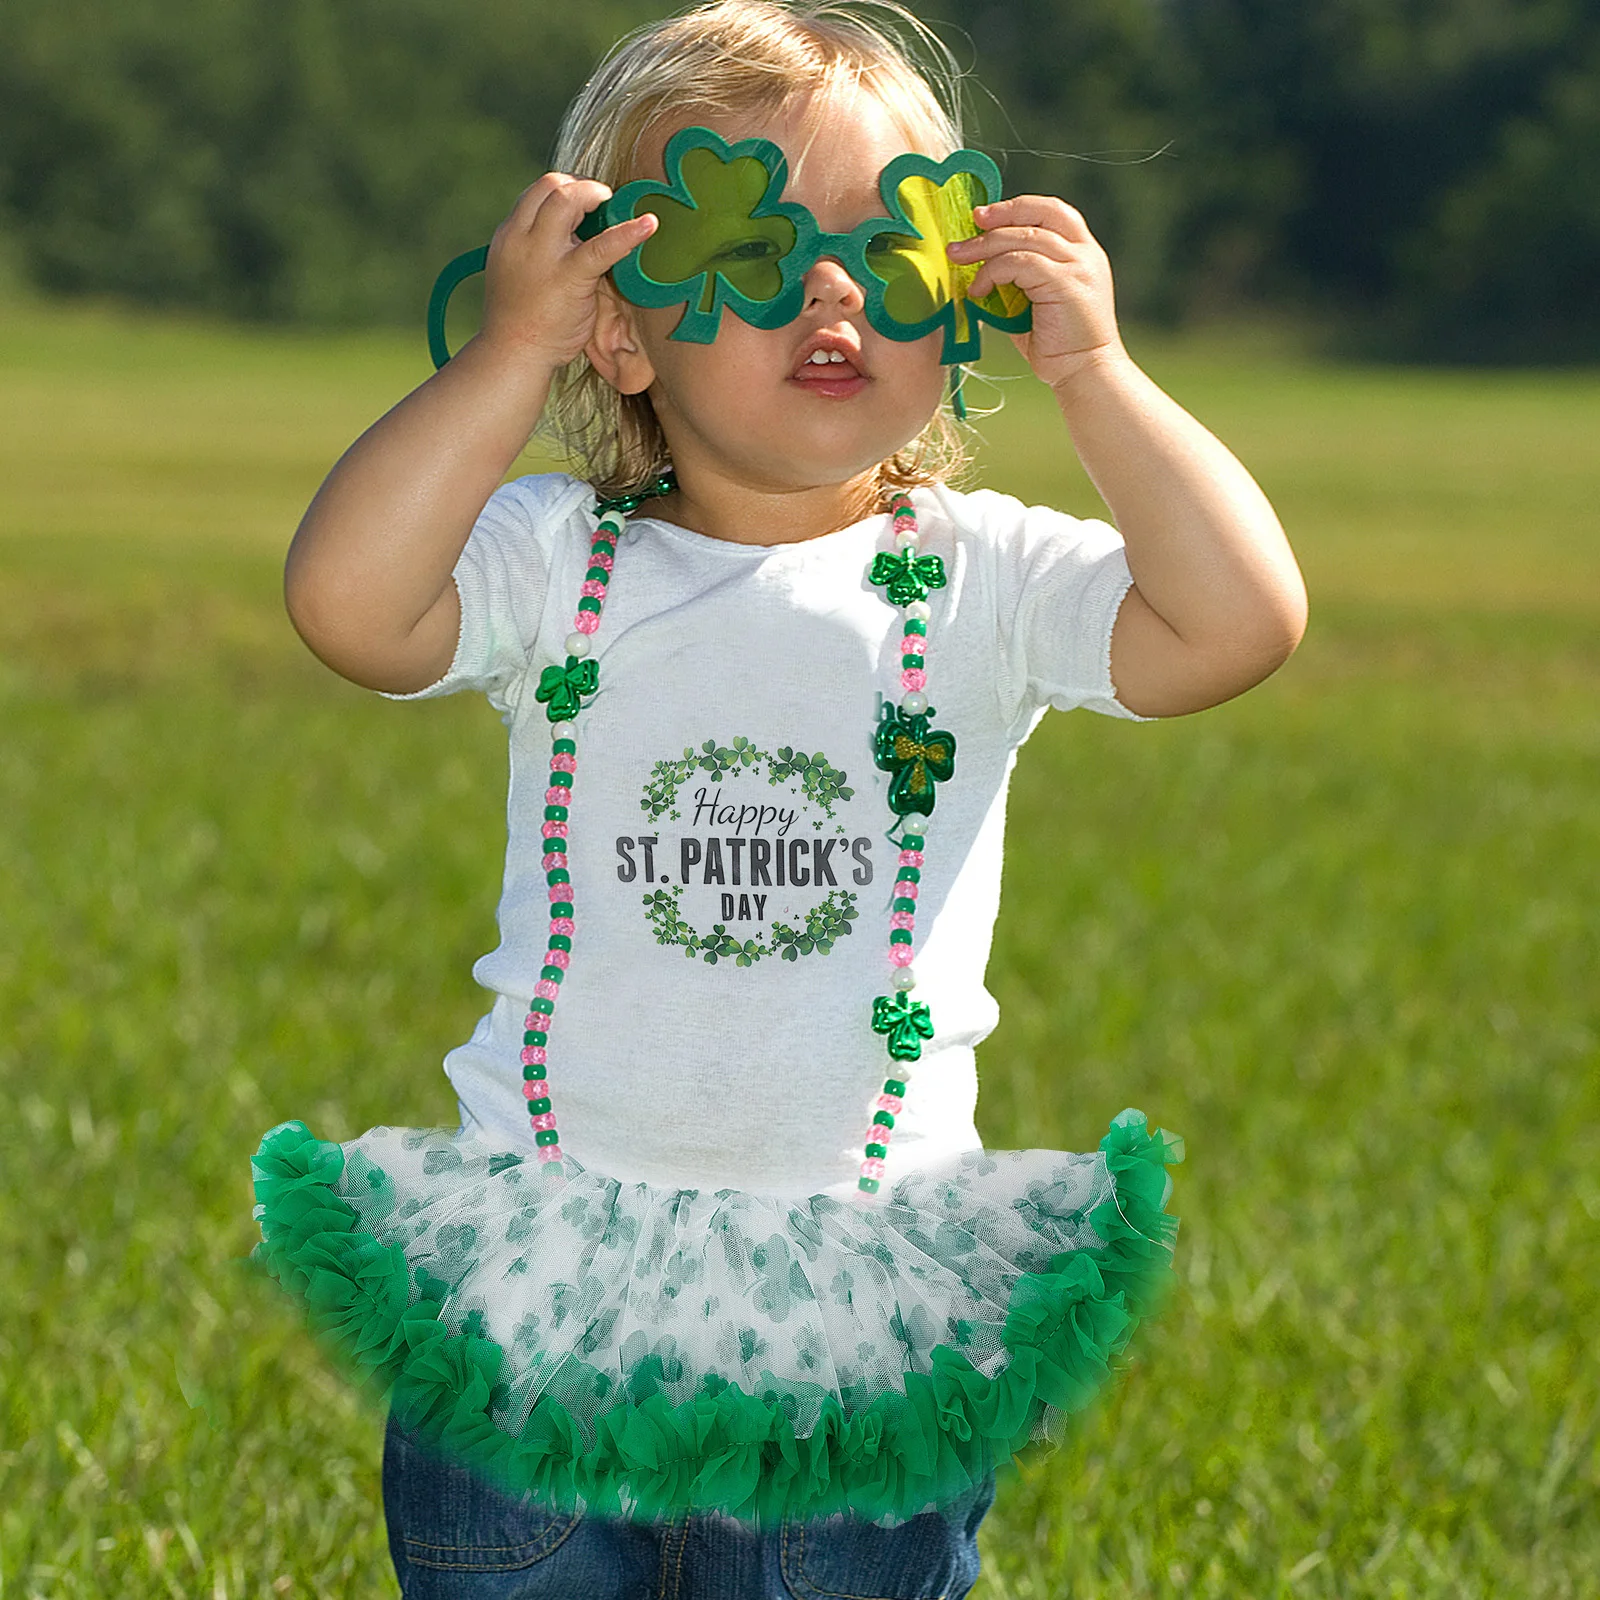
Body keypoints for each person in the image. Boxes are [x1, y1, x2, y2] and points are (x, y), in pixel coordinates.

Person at [249, 1, 1307, 1594]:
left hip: (859, 1332)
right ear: (621, 325)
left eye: (886, 247)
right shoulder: (555, 558)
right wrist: (508, 359)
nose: (828, 288)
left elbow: (1237, 622)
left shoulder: (985, 576)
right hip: (543, 1302)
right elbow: (347, 603)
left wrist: (1094, 369)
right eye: (757, 244)